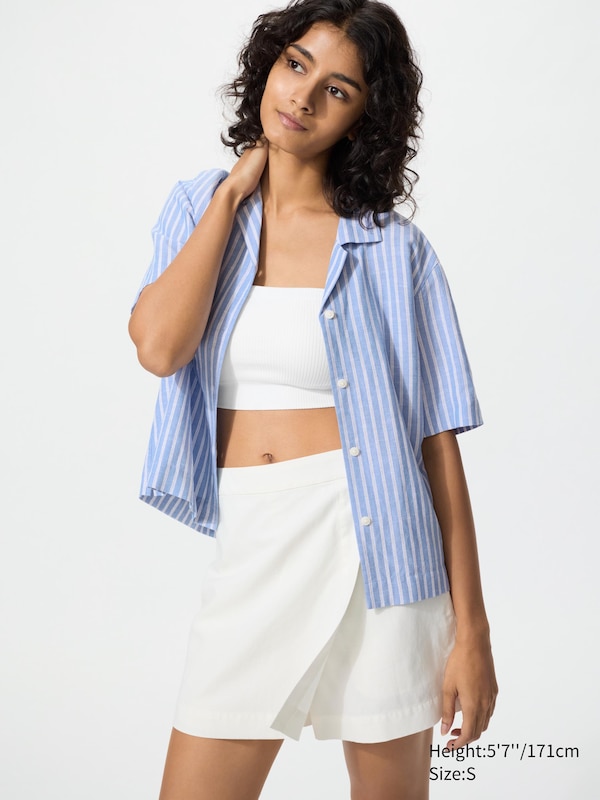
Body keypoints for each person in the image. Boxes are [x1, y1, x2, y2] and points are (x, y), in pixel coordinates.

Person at [129, 0, 498, 797]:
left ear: (365, 116)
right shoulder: (197, 207)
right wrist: (232, 196)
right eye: (296, 65)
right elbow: (159, 348)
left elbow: (437, 445)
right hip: (256, 542)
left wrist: (472, 633)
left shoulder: (395, 250)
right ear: (269, 64)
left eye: (338, 89)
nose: (303, 96)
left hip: (382, 551)